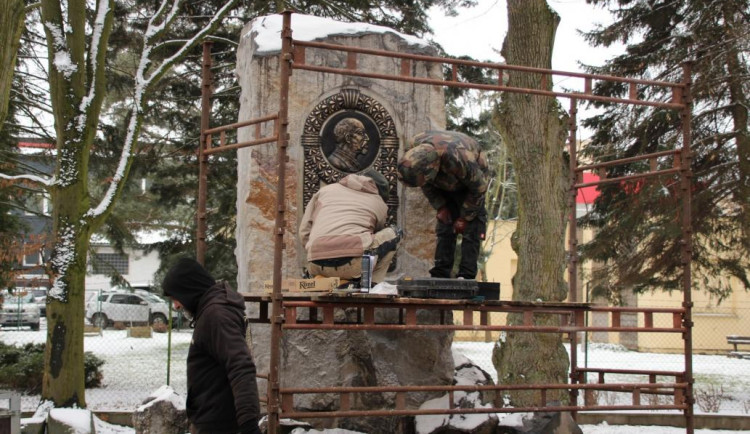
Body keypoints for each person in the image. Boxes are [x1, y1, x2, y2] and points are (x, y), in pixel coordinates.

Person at [162, 258, 261, 434]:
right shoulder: (211, 311)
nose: (176, 305)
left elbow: (241, 367)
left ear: (189, 290)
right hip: (212, 420)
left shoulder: (217, 315)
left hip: (220, 425)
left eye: (176, 297)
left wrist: (249, 425)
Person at [397, 130, 488, 280]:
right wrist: (441, 206)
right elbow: (424, 183)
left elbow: (478, 189)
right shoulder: (413, 149)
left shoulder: (460, 158)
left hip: (471, 181)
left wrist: (465, 217)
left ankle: (466, 275)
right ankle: (441, 273)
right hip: (444, 175)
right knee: (445, 225)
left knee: (472, 228)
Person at [299, 169, 402, 285]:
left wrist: (318, 252)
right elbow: (374, 238)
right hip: (353, 265)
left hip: (315, 265)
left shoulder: (325, 191)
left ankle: (317, 277)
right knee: (395, 233)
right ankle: (372, 284)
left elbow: (304, 231)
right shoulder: (380, 203)